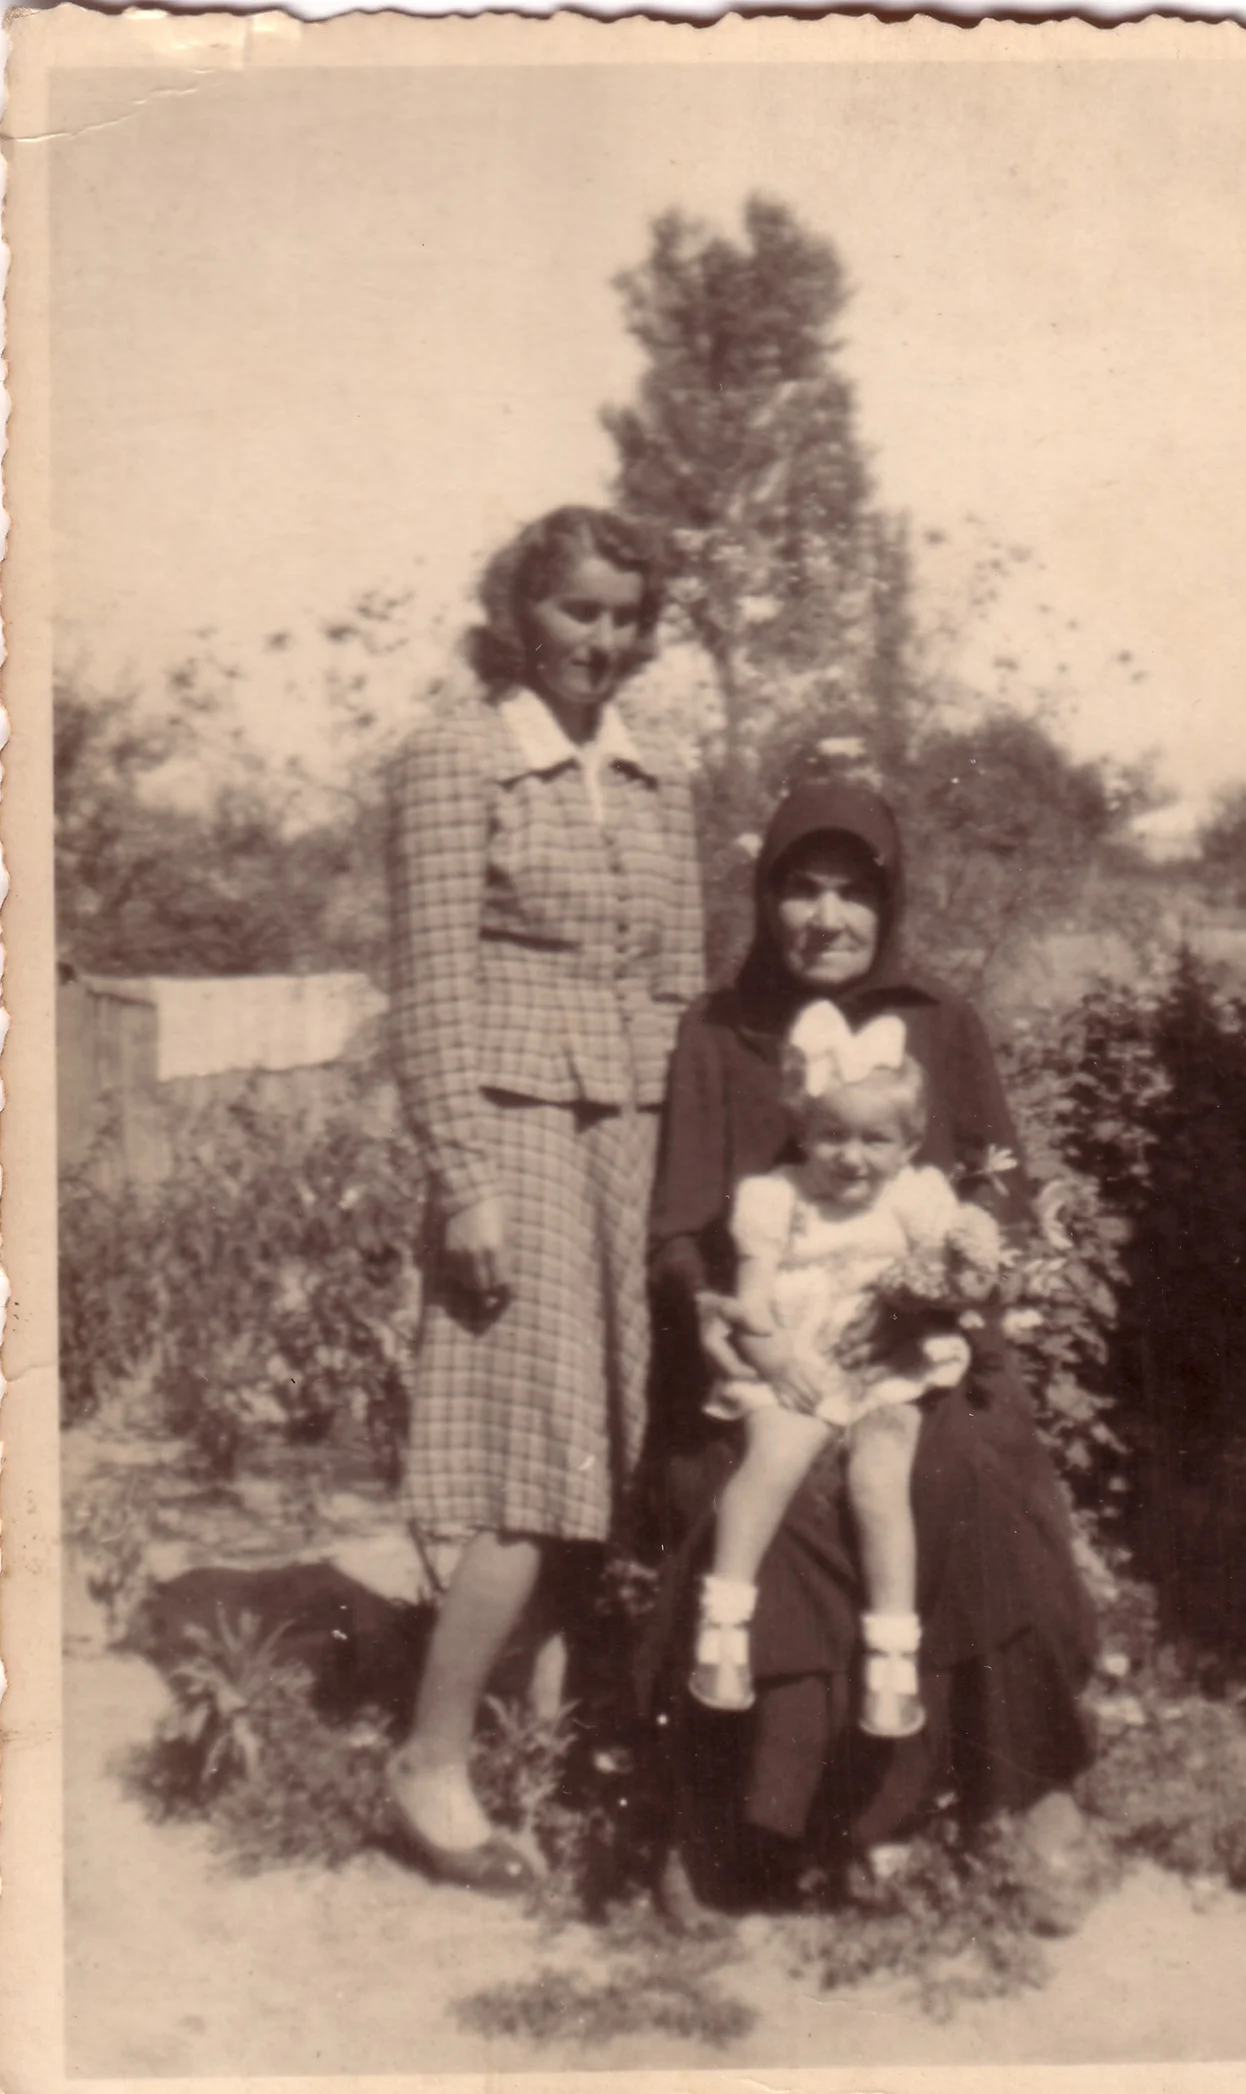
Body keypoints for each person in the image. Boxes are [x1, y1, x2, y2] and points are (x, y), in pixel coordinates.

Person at [641, 779, 1097, 1917]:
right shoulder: (718, 1031)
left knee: (966, 1478)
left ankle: (1019, 1791)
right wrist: (717, 1313)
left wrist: (962, 1262)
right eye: (801, 889)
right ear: (765, 899)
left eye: (854, 893)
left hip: (915, 1347)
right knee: (766, 1499)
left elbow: (998, 1175)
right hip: (772, 1350)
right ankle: (741, 1818)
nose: (827, 917)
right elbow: (678, 1227)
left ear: (887, 905)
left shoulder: (939, 1019)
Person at [385, 505, 703, 1893]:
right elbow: (432, 988)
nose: (604, 639)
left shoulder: (655, 771)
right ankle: (429, 1760)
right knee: (532, 1460)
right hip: (513, 1136)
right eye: (581, 609)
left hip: (633, 1136)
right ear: (523, 613)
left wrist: (695, 1166)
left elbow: (681, 984)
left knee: (606, 1453)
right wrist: (463, 1179)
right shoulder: (457, 757)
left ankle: (545, 1735)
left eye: (627, 615)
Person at [690, 1006, 1003, 1738]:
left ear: (909, 1145)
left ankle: (892, 1656)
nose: (851, 1157)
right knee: (777, 1454)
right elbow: (754, 1292)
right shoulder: (777, 1196)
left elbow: (946, 1276)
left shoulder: (914, 1198)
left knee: (880, 1479)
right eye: (832, 1135)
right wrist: (771, 1353)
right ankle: (724, 1626)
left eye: (875, 1139)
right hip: (796, 1357)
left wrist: (954, 1274)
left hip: (885, 1365)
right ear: (803, 1131)